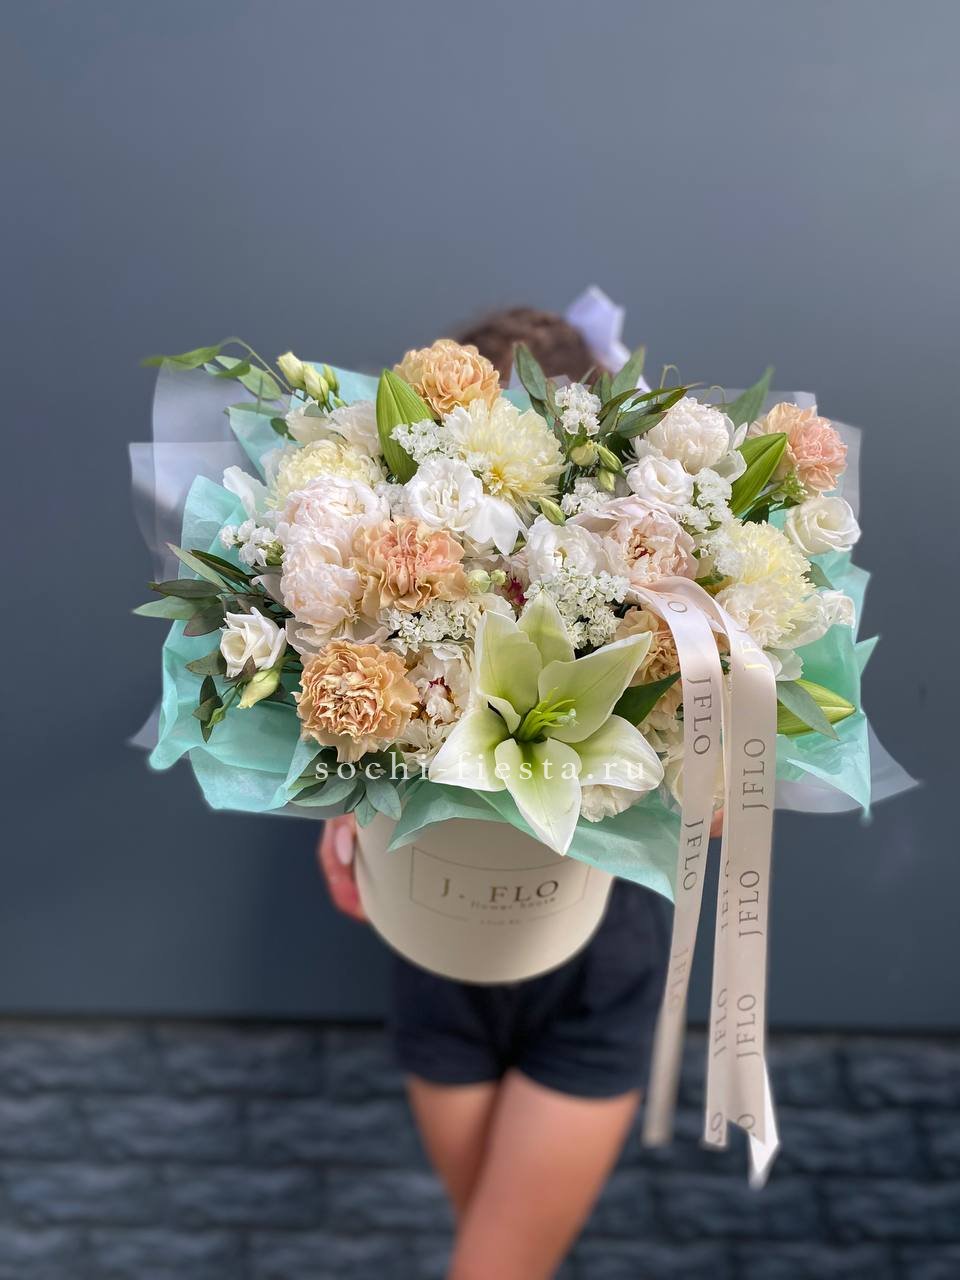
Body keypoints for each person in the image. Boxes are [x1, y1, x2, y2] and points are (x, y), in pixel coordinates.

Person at [317, 307, 690, 1280]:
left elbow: (718, 806)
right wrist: (344, 812)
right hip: (439, 948)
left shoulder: (650, 599)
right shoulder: (395, 574)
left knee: (495, 1264)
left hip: (588, 960)